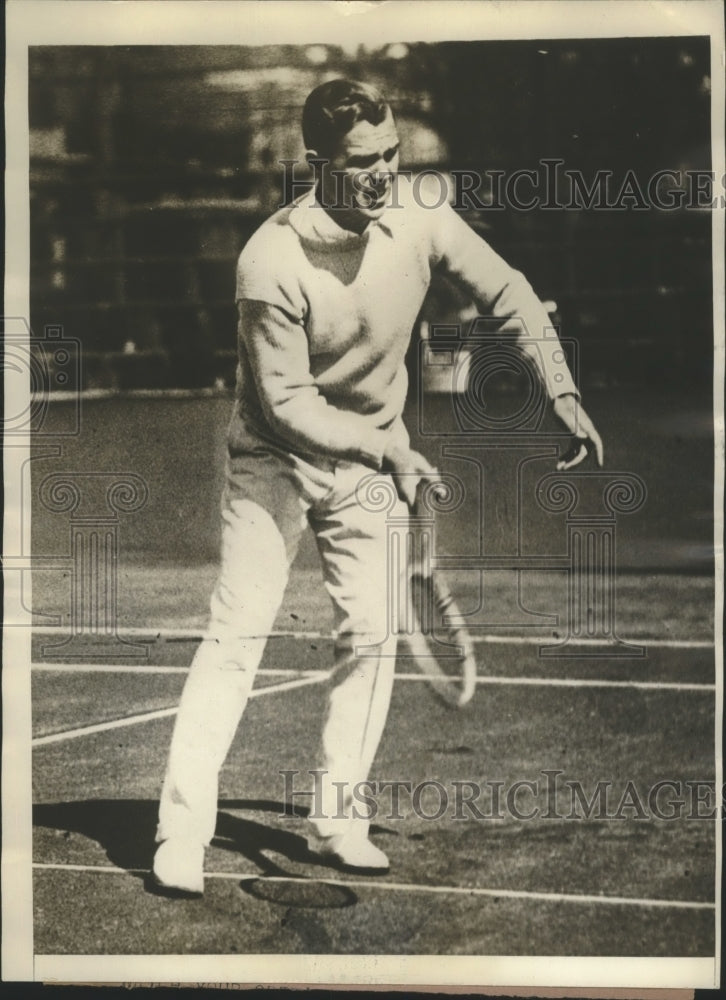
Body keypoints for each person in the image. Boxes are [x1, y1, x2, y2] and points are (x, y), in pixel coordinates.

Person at [152, 78, 603, 895]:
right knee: (238, 631)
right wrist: (388, 452)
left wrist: (563, 395)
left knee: (370, 634)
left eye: (392, 155)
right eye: (363, 162)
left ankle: (336, 819)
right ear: (317, 161)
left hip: (373, 455)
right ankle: (181, 834)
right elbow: (287, 406)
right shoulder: (270, 261)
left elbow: (507, 291)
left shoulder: (422, 216)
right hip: (274, 458)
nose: (382, 174)